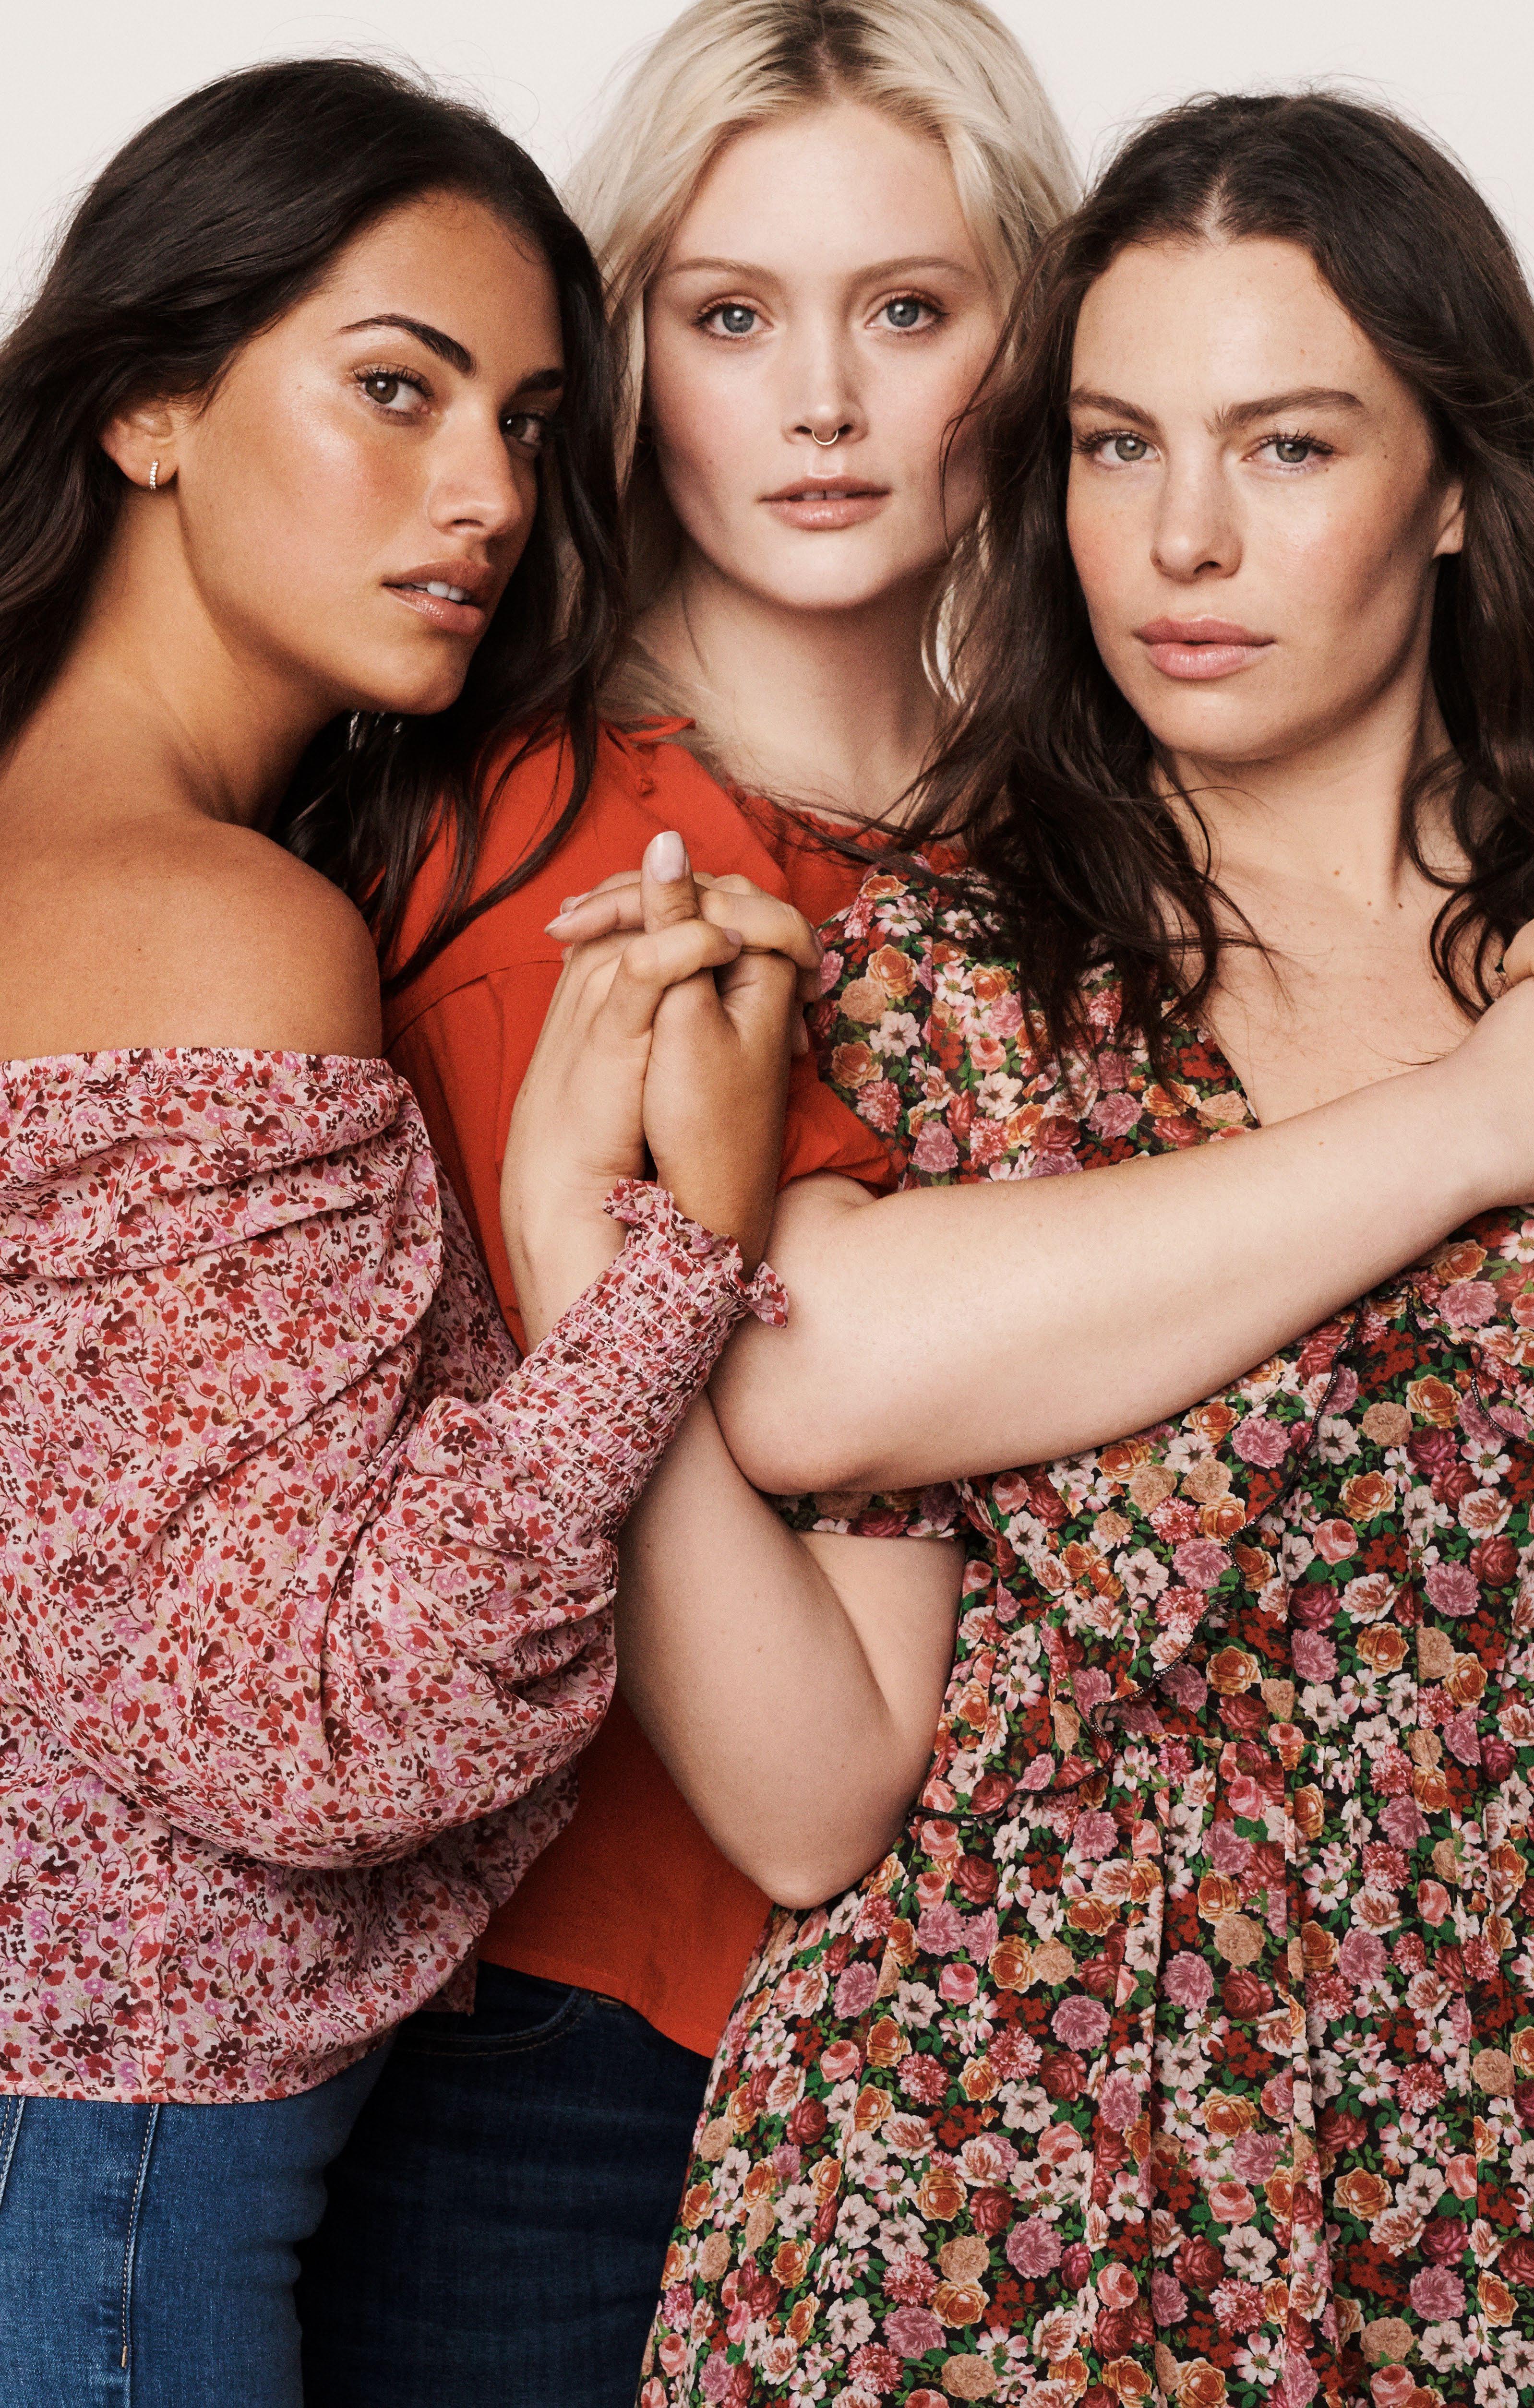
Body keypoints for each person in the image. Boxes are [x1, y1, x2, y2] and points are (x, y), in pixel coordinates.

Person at [616, 92, 1534, 2408]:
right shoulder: (950, 964)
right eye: (1116, 447)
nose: (1180, 539)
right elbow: (815, 1387)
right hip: (999, 2209)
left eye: (1285, 445)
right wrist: (1482, 1128)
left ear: (1452, 485)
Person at [0, 59, 809, 2408]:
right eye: (395, 390)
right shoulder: (205, 921)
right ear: (150, 402)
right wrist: (666, 1259)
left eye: (530, 426)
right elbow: (323, 1727)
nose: (488, 496)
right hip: (115, 2183)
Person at [295, 8, 1075, 2403]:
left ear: (1031, 339)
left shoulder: (1066, 842)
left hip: (998, 2061)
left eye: (907, 309)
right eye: (732, 317)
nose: (822, 402)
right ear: (632, 365)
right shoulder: (575, 846)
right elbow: (800, 1775)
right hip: (603, 2048)